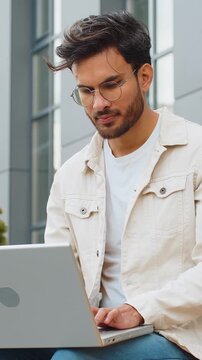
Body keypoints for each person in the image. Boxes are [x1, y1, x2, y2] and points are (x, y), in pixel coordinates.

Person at [44, 10, 202, 360]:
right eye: (86, 91)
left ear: (144, 76)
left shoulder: (196, 152)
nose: (98, 104)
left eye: (111, 85)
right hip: (99, 333)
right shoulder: (70, 176)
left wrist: (139, 309)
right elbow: (58, 278)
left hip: (177, 335)